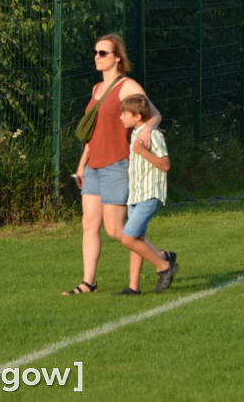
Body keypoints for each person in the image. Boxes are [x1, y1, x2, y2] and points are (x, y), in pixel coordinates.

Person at [63, 34, 167, 296]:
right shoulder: (96, 89)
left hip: (116, 165)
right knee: (89, 224)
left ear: (117, 58)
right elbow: (93, 132)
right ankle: (89, 282)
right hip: (94, 165)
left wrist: (145, 132)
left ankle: (162, 258)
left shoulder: (128, 85)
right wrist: (81, 165)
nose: (96, 57)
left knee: (114, 230)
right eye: (95, 52)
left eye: (103, 53)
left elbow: (154, 114)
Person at [111, 94, 179, 295]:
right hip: (136, 195)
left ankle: (164, 266)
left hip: (150, 194)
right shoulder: (134, 134)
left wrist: (142, 152)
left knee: (128, 237)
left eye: (125, 114)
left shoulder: (153, 135)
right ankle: (134, 287)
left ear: (138, 116)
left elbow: (165, 165)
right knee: (137, 238)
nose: (121, 117)